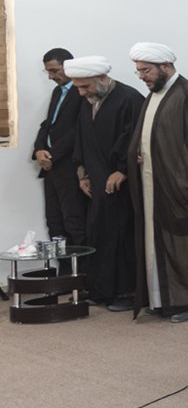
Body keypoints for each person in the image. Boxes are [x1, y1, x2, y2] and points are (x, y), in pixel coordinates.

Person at [128, 43, 188, 322]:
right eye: (138, 72)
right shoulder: (155, 95)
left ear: (165, 66)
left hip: (185, 190)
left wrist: (186, 183)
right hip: (154, 186)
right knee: (156, 245)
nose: (142, 77)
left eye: (146, 71)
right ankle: (163, 300)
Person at [66, 56, 143, 310]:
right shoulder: (88, 101)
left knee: (122, 236)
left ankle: (126, 293)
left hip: (121, 184)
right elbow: (82, 139)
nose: (81, 93)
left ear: (101, 79)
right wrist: (83, 174)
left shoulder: (129, 99)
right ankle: (101, 290)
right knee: (98, 234)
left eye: (85, 86)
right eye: (77, 87)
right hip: (97, 181)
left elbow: (135, 139)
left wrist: (123, 171)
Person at [34, 47, 88, 252]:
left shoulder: (82, 91)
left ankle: (80, 269)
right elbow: (48, 124)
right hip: (51, 168)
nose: (50, 77)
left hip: (69, 166)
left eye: (54, 71)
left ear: (68, 66)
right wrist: (39, 149)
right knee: (54, 221)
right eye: (48, 71)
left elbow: (78, 130)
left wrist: (53, 155)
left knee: (74, 221)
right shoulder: (58, 92)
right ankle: (63, 270)